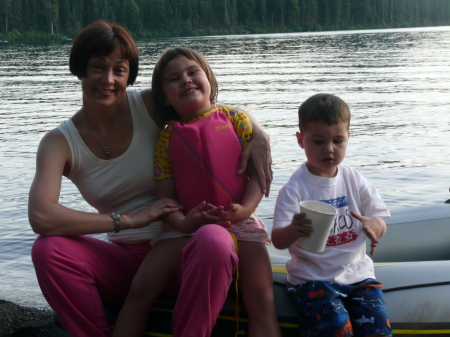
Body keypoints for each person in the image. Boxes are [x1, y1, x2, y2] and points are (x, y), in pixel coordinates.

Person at [28, 21, 272, 337]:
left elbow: (210, 110)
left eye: (119, 70)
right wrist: (127, 221)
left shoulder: (149, 105)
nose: (108, 79)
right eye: (97, 67)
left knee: (215, 240)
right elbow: (42, 216)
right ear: (80, 70)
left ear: (130, 75)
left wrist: (259, 133)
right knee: (47, 250)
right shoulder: (59, 142)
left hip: (195, 248)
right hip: (129, 262)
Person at [112, 47, 281, 337]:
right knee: (139, 290)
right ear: (164, 95)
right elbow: (167, 199)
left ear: (209, 79)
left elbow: (256, 178)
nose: (186, 81)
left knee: (263, 302)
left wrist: (247, 210)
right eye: (174, 79)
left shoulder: (238, 121)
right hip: (182, 230)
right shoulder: (165, 140)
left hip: (241, 222)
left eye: (193, 72)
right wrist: (182, 222)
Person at [272, 94, 392, 337]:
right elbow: (278, 240)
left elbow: (380, 218)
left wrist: (374, 226)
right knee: (336, 329)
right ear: (300, 140)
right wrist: (293, 229)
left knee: (378, 328)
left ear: (348, 137)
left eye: (338, 141)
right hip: (312, 279)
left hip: (359, 276)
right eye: (318, 141)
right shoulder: (294, 189)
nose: (329, 149)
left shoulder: (354, 179)